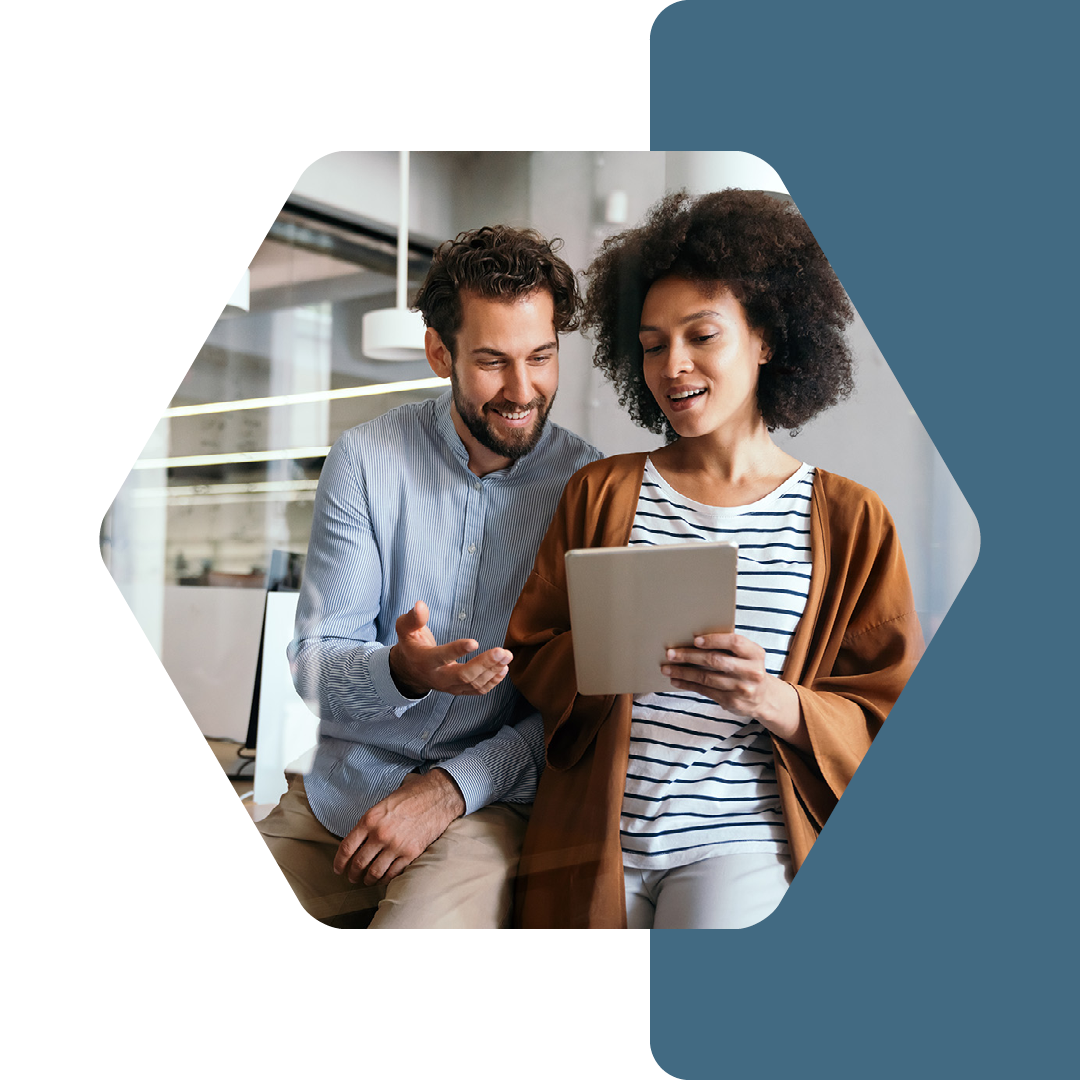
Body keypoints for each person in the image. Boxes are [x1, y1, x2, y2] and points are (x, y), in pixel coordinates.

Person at [505, 190, 924, 929]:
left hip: (741, 845)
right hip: (595, 838)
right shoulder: (601, 491)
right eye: (653, 343)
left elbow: (888, 712)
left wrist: (775, 700)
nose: (674, 365)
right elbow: (533, 650)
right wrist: (606, 655)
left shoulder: (851, 520)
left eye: (703, 335)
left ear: (767, 339)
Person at [256, 225, 601, 928]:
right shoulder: (364, 460)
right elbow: (313, 667)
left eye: (541, 356)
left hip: (482, 804)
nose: (522, 389)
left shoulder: (589, 487)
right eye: (492, 361)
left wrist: (447, 789)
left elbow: (579, 711)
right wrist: (404, 672)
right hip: (340, 795)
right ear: (439, 352)